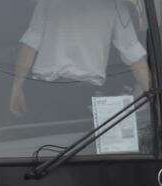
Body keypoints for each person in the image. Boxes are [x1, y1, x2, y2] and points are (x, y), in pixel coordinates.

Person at [10, 0, 150, 117]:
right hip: (85, 97)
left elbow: (30, 45)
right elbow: (134, 55)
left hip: (46, 93)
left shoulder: (48, 2)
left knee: (42, 146)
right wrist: (153, 97)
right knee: (85, 148)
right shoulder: (115, 5)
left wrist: (16, 87)